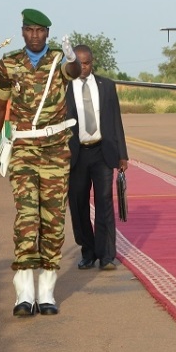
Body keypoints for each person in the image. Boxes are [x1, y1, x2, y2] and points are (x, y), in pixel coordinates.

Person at [0, 8, 81, 317]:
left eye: (41, 31)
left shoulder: (59, 62)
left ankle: (47, 291)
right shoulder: (9, 65)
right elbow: (0, 108)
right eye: (30, 30)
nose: (36, 35)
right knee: (27, 220)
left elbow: (76, 72)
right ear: (23, 31)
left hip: (56, 150)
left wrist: (72, 57)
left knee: (53, 222)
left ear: (48, 34)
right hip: (25, 149)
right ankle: (24, 293)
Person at [66, 45, 129, 271]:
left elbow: (115, 121)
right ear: (71, 62)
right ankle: (88, 251)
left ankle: (107, 255)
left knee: (104, 203)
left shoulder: (107, 86)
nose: (83, 68)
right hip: (76, 154)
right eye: (78, 63)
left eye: (87, 63)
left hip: (102, 151)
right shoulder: (63, 87)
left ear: (93, 62)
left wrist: (122, 154)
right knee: (78, 204)